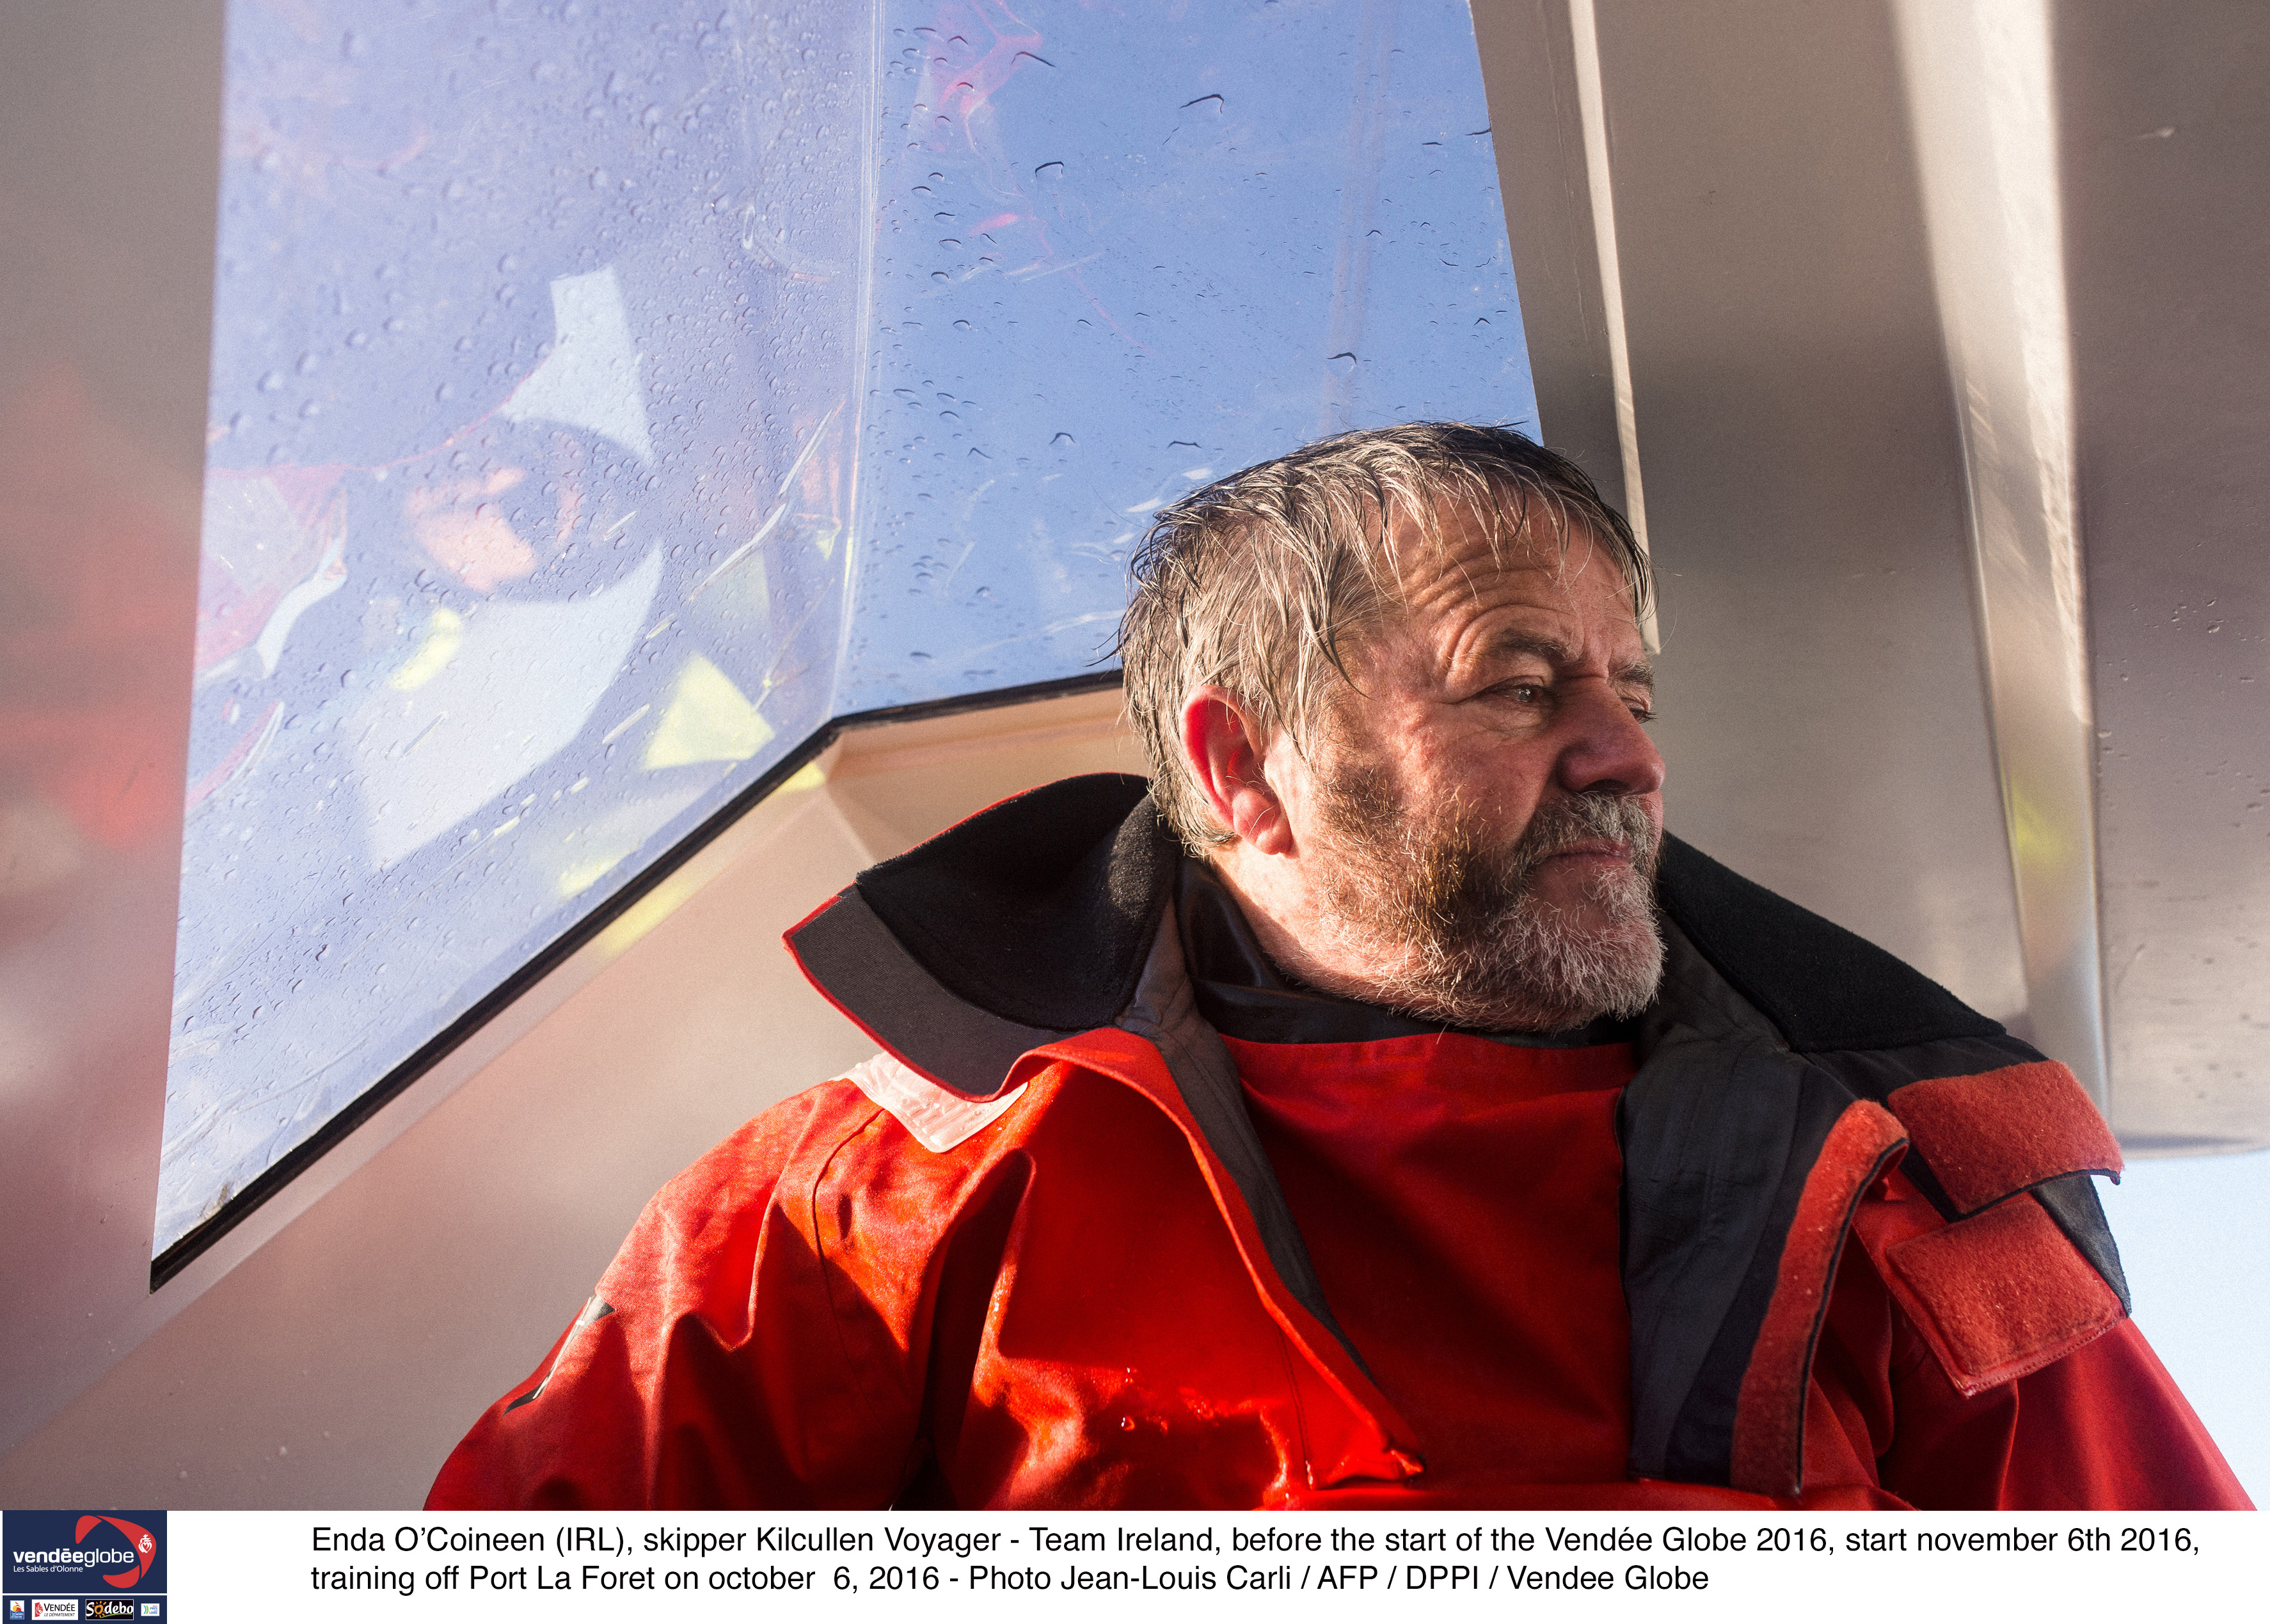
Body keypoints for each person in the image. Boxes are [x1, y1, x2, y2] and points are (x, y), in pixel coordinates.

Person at [428, 423, 2248, 1510]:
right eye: (1519, 686)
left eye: (1632, 693)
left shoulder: (1897, 1194)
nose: (1625, 755)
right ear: (1237, 768)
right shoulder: (876, 1201)